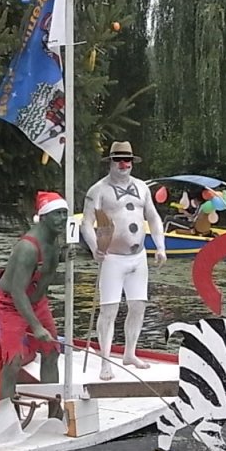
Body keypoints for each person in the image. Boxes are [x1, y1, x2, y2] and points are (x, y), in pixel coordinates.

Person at [80, 140, 167, 380]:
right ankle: (105, 361)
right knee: (109, 309)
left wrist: (160, 246)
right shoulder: (97, 190)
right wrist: (94, 246)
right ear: (110, 162)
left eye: (127, 160)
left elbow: (153, 217)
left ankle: (130, 352)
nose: (123, 164)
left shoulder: (142, 188)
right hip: (112, 257)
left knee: (138, 306)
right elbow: (87, 223)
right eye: (119, 160)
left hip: (138, 257)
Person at [0, 191, 67, 403]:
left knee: (52, 351)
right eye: (57, 214)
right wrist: (35, 327)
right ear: (43, 217)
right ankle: (5, 411)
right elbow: (17, 291)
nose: (62, 219)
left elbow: (48, 262)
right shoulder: (27, 248)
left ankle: (54, 406)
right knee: (13, 360)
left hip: (37, 300)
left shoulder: (55, 239)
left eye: (65, 213)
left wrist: (64, 255)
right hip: (11, 303)